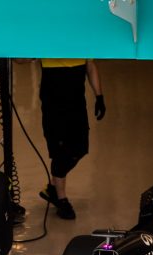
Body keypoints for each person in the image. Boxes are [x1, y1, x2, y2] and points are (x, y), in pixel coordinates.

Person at [38, 58, 105, 220]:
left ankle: (53, 188)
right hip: (53, 106)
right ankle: (62, 199)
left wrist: (99, 96)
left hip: (77, 106)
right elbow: (20, 59)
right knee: (60, 152)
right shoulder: (46, 37)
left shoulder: (80, 38)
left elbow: (90, 67)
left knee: (80, 148)